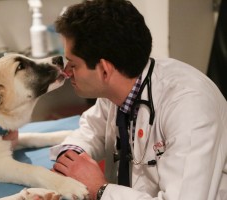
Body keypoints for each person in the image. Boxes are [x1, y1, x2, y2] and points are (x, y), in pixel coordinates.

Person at [49, 0, 227, 199]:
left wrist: (100, 190)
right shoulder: (117, 88)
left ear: (104, 69)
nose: (66, 73)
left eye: (73, 65)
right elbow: (92, 130)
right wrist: (70, 162)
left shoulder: (189, 107)